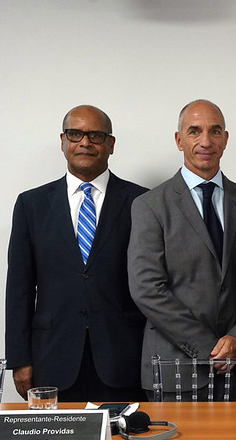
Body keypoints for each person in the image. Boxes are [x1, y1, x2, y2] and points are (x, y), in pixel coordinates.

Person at [6, 105, 147, 401]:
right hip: (51, 361)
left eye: (96, 135)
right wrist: (19, 360)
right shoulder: (32, 205)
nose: (85, 142)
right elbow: (19, 289)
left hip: (124, 359)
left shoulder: (141, 202)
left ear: (111, 144)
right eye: (75, 134)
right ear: (63, 141)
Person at [128, 99, 236, 400]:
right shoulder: (150, 206)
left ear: (226, 139)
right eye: (194, 131)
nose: (205, 141)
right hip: (175, 370)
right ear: (178, 140)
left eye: (215, 131)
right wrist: (209, 349)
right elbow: (147, 289)